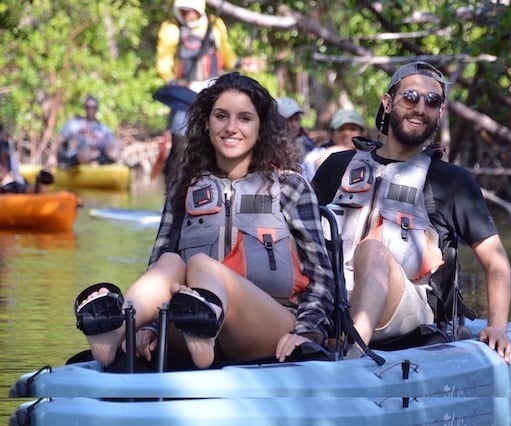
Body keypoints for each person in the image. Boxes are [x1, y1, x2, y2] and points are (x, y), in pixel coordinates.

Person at [74, 73, 335, 370]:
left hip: (267, 328)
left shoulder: (290, 187)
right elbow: (158, 267)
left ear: (261, 127)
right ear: (207, 124)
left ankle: (203, 325)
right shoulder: (185, 187)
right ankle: (119, 327)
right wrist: (151, 327)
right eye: (221, 116)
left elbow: (321, 277)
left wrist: (307, 332)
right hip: (187, 324)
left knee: (200, 265)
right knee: (170, 262)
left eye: (245, 118)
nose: (231, 127)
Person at [312, 61, 511, 364]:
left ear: (440, 113)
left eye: (432, 101)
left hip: (406, 310)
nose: (420, 108)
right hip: (331, 302)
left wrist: (497, 327)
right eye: (410, 97)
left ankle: (351, 356)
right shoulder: (337, 166)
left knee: (373, 251)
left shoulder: (452, 182)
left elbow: (495, 261)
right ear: (388, 102)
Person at [155, 0, 264, 188]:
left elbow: (227, 57)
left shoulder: (215, 25)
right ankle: (173, 192)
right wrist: (173, 81)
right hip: (185, 93)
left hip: (211, 89)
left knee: (216, 137)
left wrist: (241, 63)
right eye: (184, 11)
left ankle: (220, 186)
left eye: (191, 11)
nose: (188, 15)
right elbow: (163, 62)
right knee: (180, 142)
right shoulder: (171, 28)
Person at [47, 96, 121, 169]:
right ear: (84, 108)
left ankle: (117, 169)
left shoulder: (103, 129)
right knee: (86, 153)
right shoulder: (74, 124)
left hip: (97, 157)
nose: (90, 110)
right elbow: (58, 140)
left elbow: (111, 145)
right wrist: (52, 157)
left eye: (93, 107)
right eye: (88, 107)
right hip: (76, 158)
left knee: (116, 146)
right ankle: (93, 166)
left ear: (97, 109)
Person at [302, 108, 365, 181]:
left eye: (352, 129)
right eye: (341, 129)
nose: (346, 133)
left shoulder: (370, 156)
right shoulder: (316, 155)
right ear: (332, 133)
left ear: (362, 133)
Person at [1, 124, 53, 193]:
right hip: (9, 185)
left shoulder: (7, 149)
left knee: (20, 186)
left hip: (15, 182)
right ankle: (38, 186)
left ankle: (39, 185)